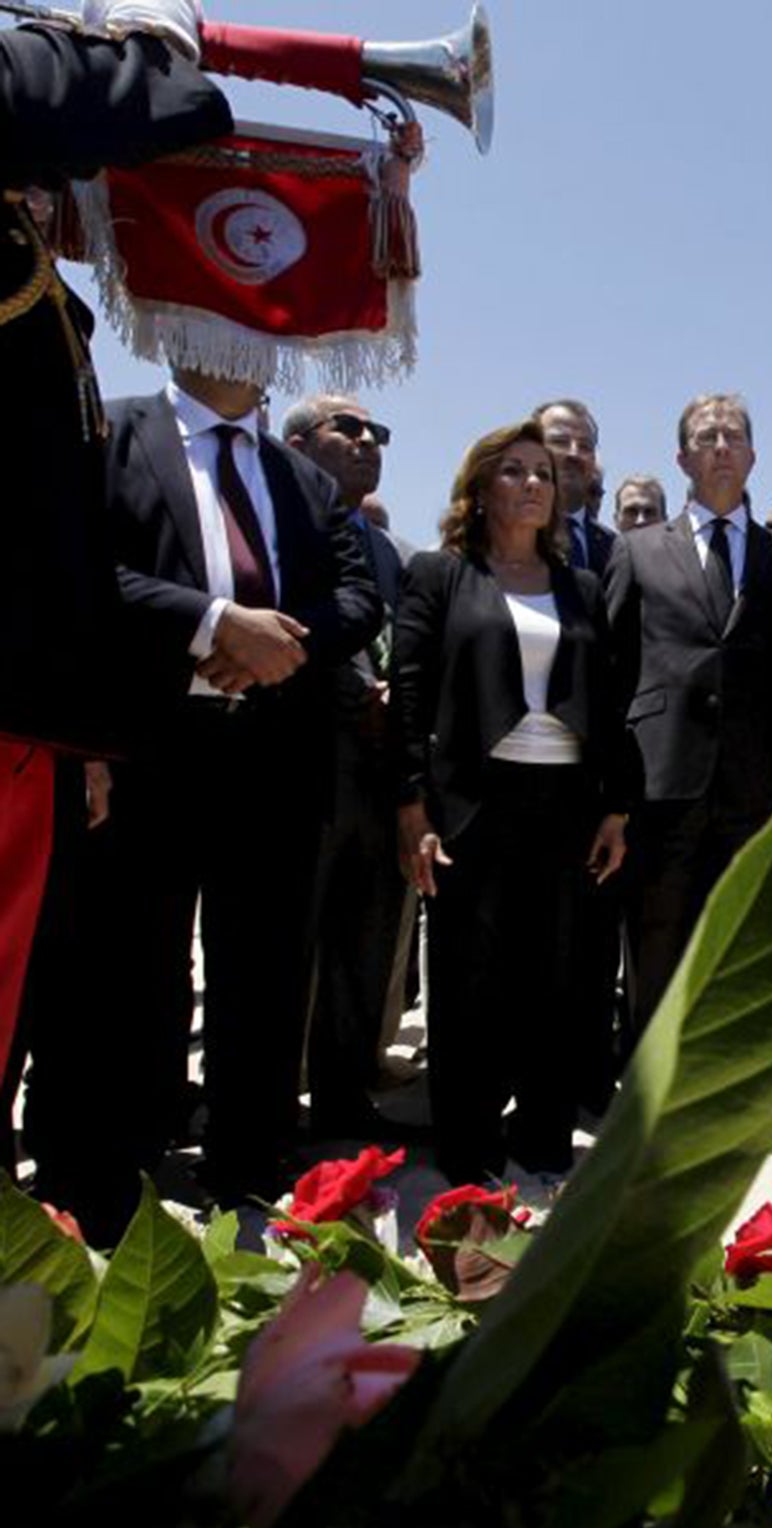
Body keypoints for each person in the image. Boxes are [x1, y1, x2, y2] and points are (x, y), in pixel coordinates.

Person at [69, 365, 382, 1212]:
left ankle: (248, 1168)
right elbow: (84, 566)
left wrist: (275, 644)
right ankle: (123, 1178)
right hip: (149, 751)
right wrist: (212, 623)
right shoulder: (112, 431)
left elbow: (358, 596)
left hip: (276, 758)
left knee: (267, 975)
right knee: (140, 972)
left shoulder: (303, 478)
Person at [0, 2, 230, 1131]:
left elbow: (56, 540)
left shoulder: (45, 296)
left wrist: (76, 726)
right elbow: (106, 102)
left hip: (25, 712)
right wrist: (146, 40)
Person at [392, 420, 628, 1185]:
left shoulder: (582, 586)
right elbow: (410, 696)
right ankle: (467, 1147)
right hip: (473, 803)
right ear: (480, 487)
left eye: (544, 475)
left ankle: (543, 1140)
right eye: (515, 471)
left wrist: (615, 808)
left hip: (564, 802)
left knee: (556, 978)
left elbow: (611, 698)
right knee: (469, 980)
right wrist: (413, 807)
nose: (533, 484)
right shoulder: (440, 574)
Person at [606, 394, 772, 1048]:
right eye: (706, 436)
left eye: (733, 436)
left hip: (754, 780)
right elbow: (612, 667)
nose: (721, 446)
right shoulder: (637, 550)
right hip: (661, 774)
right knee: (657, 934)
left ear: (752, 455)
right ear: (683, 457)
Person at [281, 394, 414, 1139]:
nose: (368, 442)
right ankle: (274, 1103)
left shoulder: (388, 551)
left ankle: (343, 1096)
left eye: (378, 434)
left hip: (377, 772)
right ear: (298, 443)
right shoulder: (276, 522)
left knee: (365, 941)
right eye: (349, 429)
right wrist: (358, 689)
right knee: (288, 943)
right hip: (301, 761)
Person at [536, 396, 622, 1108]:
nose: (571, 453)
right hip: (512, 773)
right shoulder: (487, 546)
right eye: (556, 440)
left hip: (591, 782)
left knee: (589, 945)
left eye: (583, 444)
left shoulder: (616, 551)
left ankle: (586, 1080)